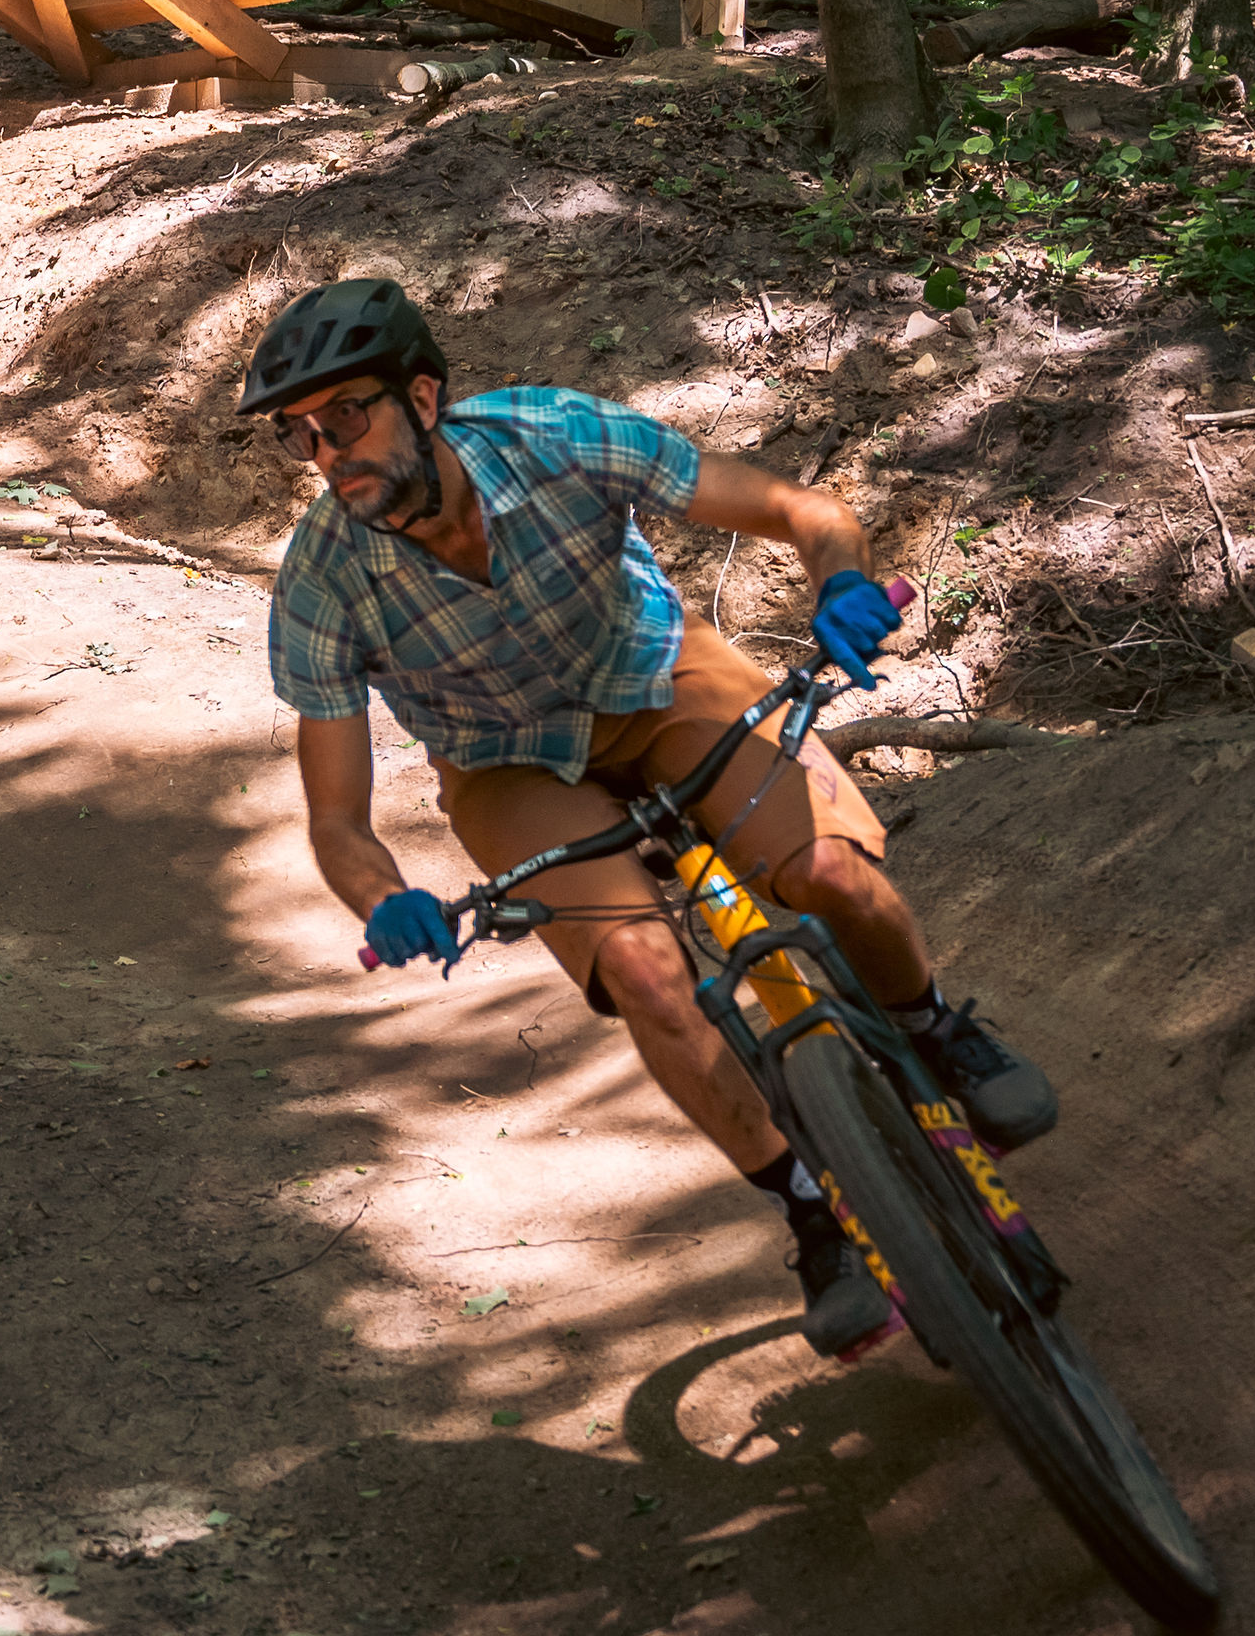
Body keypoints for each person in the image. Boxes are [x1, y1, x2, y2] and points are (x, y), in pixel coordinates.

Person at [240, 275, 1057, 1360]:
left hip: (659, 678)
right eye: (302, 435)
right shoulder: (321, 583)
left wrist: (841, 583)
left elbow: (801, 513)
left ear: (424, 397)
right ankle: (811, 1204)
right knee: (644, 969)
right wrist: (385, 898)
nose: (327, 449)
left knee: (829, 878)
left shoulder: (555, 435)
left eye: (348, 414)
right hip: (506, 764)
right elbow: (337, 819)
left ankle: (933, 1026)